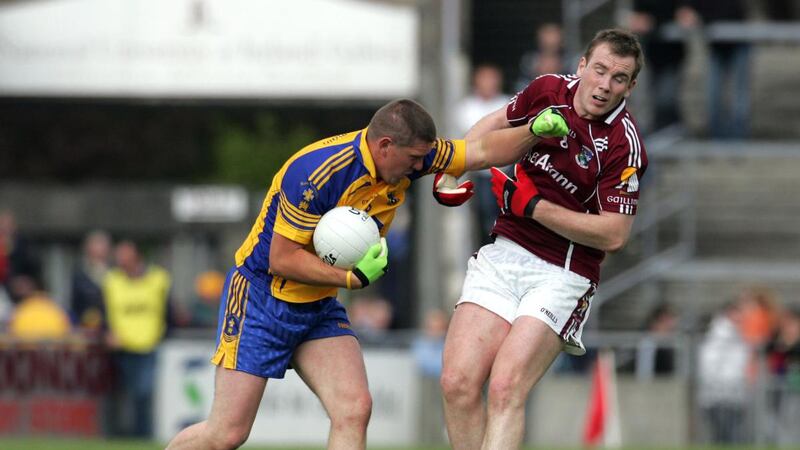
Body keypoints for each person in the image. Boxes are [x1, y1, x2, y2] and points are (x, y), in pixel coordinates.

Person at [166, 98, 558, 450]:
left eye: (425, 159)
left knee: (354, 410)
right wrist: (351, 280)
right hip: (261, 300)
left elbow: (481, 149)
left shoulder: (408, 158)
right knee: (227, 434)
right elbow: (280, 259)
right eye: (414, 159)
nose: (422, 167)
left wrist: (533, 131)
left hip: (317, 304)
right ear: (385, 146)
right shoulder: (316, 173)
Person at [440, 29, 649, 449]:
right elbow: (495, 123)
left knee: (504, 388)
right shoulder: (547, 90)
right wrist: (453, 168)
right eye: (601, 70)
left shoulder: (623, 145)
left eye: (620, 78)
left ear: (631, 86)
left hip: (563, 272)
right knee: (457, 383)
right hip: (505, 251)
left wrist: (534, 207)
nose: (606, 86)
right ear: (582, 66)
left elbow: (615, 233)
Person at [103, 240, 171, 438]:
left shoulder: (158, 278)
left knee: (143, 393)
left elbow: (168, 311)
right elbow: (104, 310)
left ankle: (142, 436)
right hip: (120, 345)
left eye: (125, 255)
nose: (120, 259)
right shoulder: (112, 280)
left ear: (136, 256)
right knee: (121, 394)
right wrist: (107, 331)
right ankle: (118, 435)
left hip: (147, 344)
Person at [455, 64, 510, 241]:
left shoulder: (507, 103)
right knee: (485, 212)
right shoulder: (467, 107)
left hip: (507, 170)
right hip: (482, 173)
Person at [70, 230, 112, 332]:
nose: (99, 251)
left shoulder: (116, 273)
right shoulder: (80, 275)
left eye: (102, 246)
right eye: (96, 246)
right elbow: (75, 305)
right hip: (88, 329)